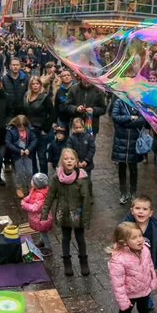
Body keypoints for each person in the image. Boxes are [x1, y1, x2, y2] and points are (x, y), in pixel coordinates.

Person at [41, 148, 91, 277]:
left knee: (80, 239)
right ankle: (67, 262)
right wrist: (44, 213)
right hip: (63, 213)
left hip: (77, 214)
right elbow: (50, 196)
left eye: (72, 159)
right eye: (66, 158)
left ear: (76, 162)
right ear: (61, 161)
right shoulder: (57, 178)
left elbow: (86, 199)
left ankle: (83, 261)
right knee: (65, 238)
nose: (69, 161)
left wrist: (85, 219)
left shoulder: (81, 179)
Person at [123, 194, 157, 308]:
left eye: (145, 209)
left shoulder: (156, 228)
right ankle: (129, 297)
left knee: (146, 282)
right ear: (132, 211)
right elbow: (119, 244)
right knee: (130, 281)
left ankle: (146, 297)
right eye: (137, 208)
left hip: (147, 262)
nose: (141, 212)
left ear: (150, 213)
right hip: (130, 263)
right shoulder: (125, 227)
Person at [110, 97, 147, 204]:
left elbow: (142, 120)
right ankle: (123, 192)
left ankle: (133, 192)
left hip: (134, 141)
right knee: (121, 167)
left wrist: (125, 123)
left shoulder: (139, 103)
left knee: (133, 167)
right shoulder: (119, 102)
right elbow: (115, 117)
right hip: (120, 140)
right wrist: (131, 117)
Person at [22, 75, 54, 175]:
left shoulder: (44, 97)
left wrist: (46, 129)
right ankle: (35, 177)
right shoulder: (26, 96)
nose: (35, 86)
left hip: (40, 130)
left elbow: (52, 113)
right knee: (31, 155)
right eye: (33, 84)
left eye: (37, 84)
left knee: (42, 156)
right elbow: (24, 112)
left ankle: (44, 178)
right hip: (29, 130)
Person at [21, 173, 53, 254]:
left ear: (37, 184)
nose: (31, 181)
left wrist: (25, 205)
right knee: (42, 231)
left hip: (42, 218)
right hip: (38, 218)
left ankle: (48, 248)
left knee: (44, 233)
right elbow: (30, 196)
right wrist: (26, 199)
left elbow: (35, 208)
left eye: (32, 181)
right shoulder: (35, 190)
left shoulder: (40, 195)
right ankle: (42, 242)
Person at [5, 114, 36, 199]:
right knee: (19, 172)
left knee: (30, 171)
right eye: (20, 127)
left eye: (23, 127)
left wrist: (29, 149)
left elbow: (34, 140)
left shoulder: (30, 129)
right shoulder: (11, 130)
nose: (22, 129)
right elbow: (8, 143)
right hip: (17, 155)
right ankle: (19, 186)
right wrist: (18, 151)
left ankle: (30, 185)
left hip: (28, 154)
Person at [65, 117, 95, 197]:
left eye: (80, 127)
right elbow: (70, 150)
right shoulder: (71, 138)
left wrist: (86, 160)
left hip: (87, 164)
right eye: (76, 128)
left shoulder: (88, 137)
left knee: (87, 180)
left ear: (83, 127)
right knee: (76, 180)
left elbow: (91, 149)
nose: (78, 129)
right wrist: (76, 162)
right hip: (76, 164)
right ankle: (78, 195)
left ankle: (89, 195)